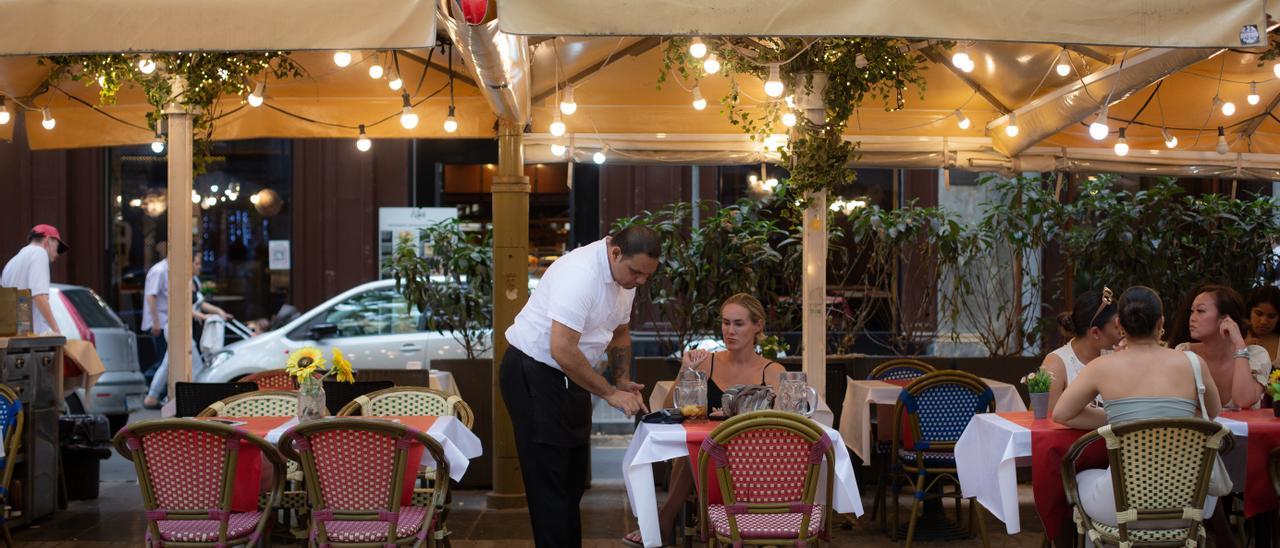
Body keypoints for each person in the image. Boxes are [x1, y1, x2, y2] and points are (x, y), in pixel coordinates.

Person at [500, 225, 658, 548]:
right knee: (550, 487)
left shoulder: (625, 278)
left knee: (571, 481)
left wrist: (622, 379)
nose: (640, 281)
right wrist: (610, 394)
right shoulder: (580, 273)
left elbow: (620, 333)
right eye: (637, 273)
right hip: (533, 371)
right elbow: (562, 348)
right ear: (615, 253)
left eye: (647, 276)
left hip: (569, 373)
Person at [1054, 286, 1224, 533]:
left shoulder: (1102, 367)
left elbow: (1062, 414)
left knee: (1083, 479)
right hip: (1187, 507)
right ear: (1161, 322)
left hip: (1122, 508)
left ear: (1120, 324)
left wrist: (1117, 418)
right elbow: (1213, 411)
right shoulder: (1193, 363)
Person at [622, 293, 785, 547]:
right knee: (697, 449)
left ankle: (664, 522)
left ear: (758, 326)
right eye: (725, 322)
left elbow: (783, 422)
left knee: (697, 451)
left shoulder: (772, 371)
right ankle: (673, 522)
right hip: (705, 458)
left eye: (738, 324)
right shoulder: (706, 363)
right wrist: (684, 371)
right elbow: (668, 410)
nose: (729, 331)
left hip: (753, 462)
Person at [143, 252, 232, 408]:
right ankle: (196, 399)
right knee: (195, 364)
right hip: (175, 327)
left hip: (182, 327)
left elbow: (199, 303)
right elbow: (181, 307)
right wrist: (204, 317)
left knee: (168, 363)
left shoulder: (193, 281)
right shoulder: (174, 278)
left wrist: (219, 312)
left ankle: (153, 396)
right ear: (188, 263)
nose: (199, 266)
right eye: (196, 263)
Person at [1168, 284, 1267, 409]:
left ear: (1225, 319)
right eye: (1192, 311)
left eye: (1201, 311)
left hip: (1245, 429)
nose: (1192, 318)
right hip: (1197, 429)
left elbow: (1242, 401)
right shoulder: (1185, 353)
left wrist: (1240, 344)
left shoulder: (1256, 356)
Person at [1044, 288, 1123, 412]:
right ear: (1095, 332)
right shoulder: (1056, 365)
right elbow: (1049, 422)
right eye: (1117, 327)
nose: (1122, 332)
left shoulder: (1118, 355)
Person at [1, 225, 67, 335]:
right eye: (57, 246)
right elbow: (39, 296)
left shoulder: (11, 263)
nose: (57, 254)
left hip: (13, 339)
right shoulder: (39, 253)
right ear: (48, 241)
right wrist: (56, 331)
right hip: (32, 340)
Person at [1244, 285, 1280, 366]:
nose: (1264, 321)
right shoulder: (1236, 335)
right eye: (1258, 314)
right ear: (1250, 311)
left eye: (1271, 316)